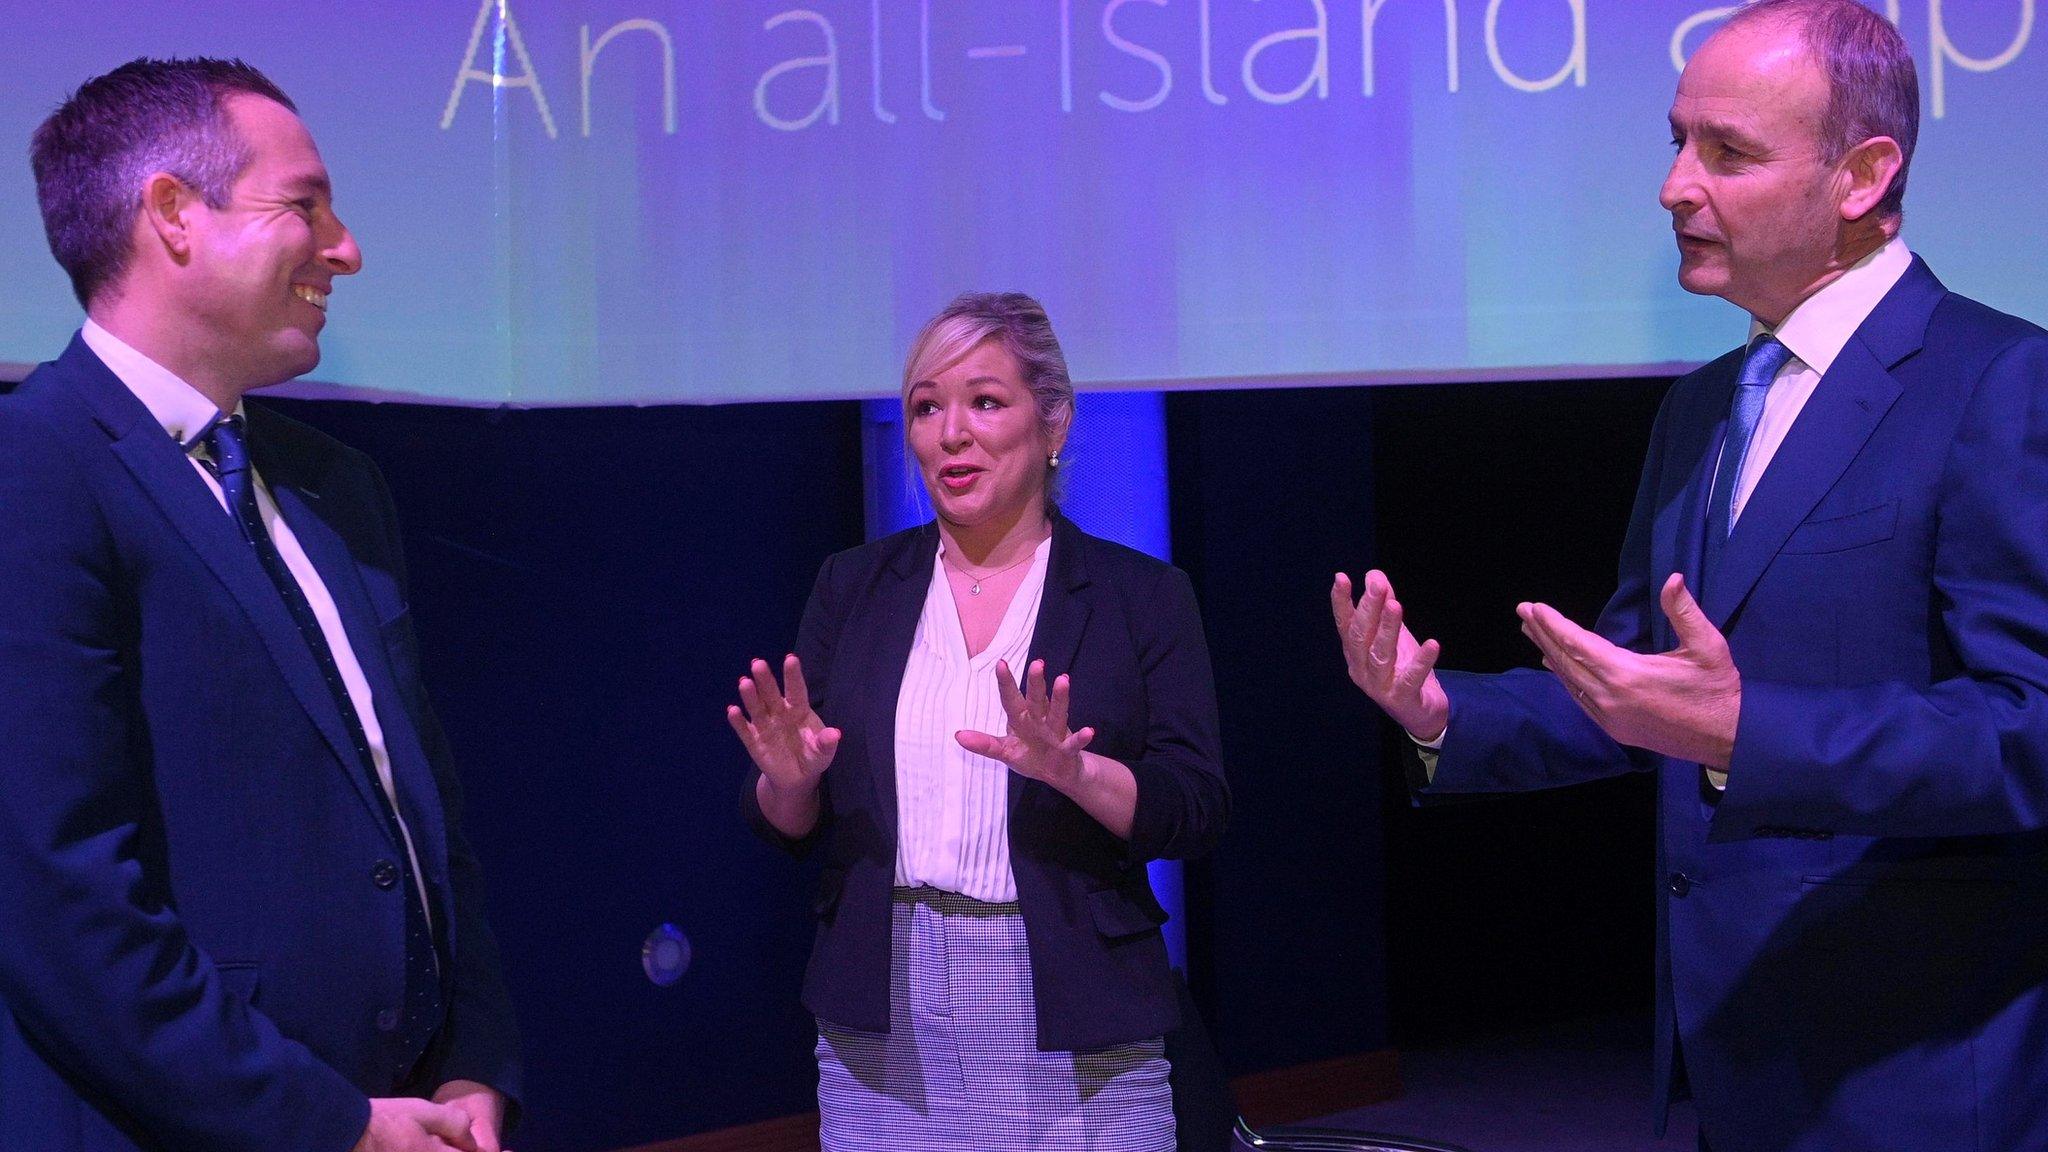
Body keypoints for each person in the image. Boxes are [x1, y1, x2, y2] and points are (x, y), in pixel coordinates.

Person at [1332, 2, 2048, 1149]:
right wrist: (1440, 711)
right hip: (1730, 1060)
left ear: (1861, 176)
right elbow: (1645, 694)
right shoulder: (1700, 406)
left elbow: (2029, 731)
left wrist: (1744, 732)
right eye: (1675, 141)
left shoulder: (1998, 381)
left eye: (1726, 152)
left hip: (1912, 1069)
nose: (1673, 186)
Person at [0, 59, 520, 1152]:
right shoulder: (34, 470)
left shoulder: (338, 485)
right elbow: (60, 895)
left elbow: (418, 804)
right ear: (174, 215)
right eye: (306, 205)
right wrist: (327, 1123)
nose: (347, 248)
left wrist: (473, 1054)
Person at [729, 292, 1227, 1150]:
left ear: (1054, 423)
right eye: (926, 407)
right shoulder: (852, 587)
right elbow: (785, 825)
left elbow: (1196, 807)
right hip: (883, 1013)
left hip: (1075, 1009)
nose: (950, 433)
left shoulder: (1140, 596)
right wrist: (789, 780)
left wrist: (1076, 773)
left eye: (985, 401)